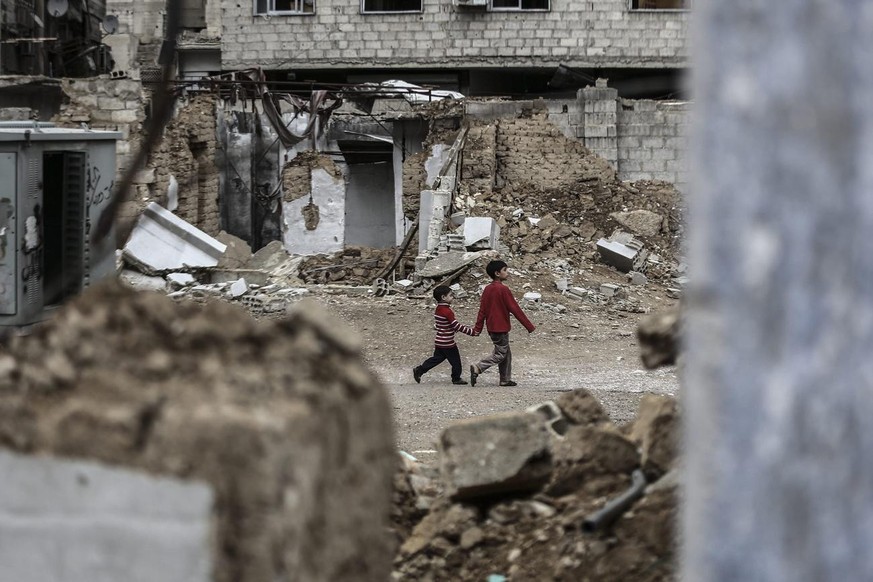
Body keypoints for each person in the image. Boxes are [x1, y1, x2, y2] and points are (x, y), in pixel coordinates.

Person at [470, 260, 535, 387]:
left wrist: (478, 328)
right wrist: (529, 326)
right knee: (500, 354)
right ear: (497, 273)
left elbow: (482, 310)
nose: (507, 272)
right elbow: (515, 309)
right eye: (505, 270)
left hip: (492, 327)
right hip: (501, 328)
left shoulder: (487, 289)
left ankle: (505, 379)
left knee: (506, 353)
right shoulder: (503, 290)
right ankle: (478, 367)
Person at [413, 285, 478, 385]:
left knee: (436, 359)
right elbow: (456, 325)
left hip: (439, 340)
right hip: (448, 343)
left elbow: (442, 324)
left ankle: (420, 370)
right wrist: (472, 332)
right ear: (443, 297)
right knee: (456, 362)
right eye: (451, 295)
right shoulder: (447, 311)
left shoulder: (438, 309)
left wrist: (450, 328)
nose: (452, 297)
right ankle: (456, 378)